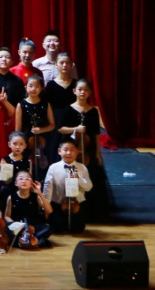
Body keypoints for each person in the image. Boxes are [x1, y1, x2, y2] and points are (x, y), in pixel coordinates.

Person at [59, 79, 110, 219]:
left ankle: (90, 211)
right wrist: (75, 129)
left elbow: (96, 134)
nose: (83, 92)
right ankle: (72, 208)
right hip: (71, 149)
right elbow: (61, 129)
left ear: (90, 93)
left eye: (86, 90)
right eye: (80, 89)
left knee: (90, 177)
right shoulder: (68, 109)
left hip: (88, 150)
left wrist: (98, 152)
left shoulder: (93, 111)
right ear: (74, 91)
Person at [44, 139, 93, 234]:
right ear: (59, 151)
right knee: (57, 229)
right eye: (65, 150)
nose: (69, 153)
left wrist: (78, 179)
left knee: (78, 229)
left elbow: (89, 187)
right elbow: (48, 187)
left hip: (77, 204)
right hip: (58, 203)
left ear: (77, 151)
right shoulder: (53, 167)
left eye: (72, 150)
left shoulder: (82, 167)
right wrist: (46, 205)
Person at [4, 169, 53, 247]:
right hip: (18, 226)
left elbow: (49, 210)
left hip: (33, 227)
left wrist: (40, 193)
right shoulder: (11, 197)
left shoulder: (35, 196)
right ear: (16, 183)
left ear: (31, 183)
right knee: (6, 229)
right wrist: (14, 224)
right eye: (21, 178)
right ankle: (36, 242)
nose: (24, 181)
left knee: (47, 228)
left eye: (27, 179)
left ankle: (27, 240)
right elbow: (7, 216)